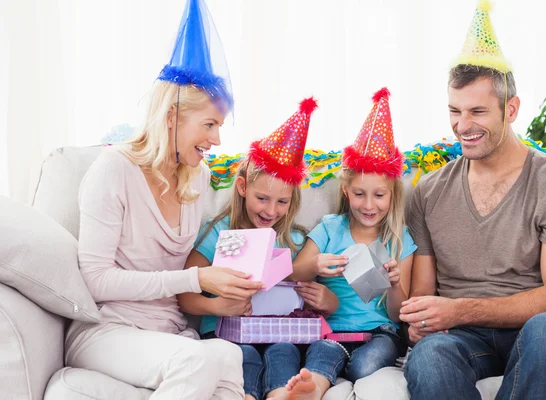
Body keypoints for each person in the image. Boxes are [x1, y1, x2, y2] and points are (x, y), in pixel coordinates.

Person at [64, 1, 263, 398]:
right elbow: (96, 280)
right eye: (209, 124)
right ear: (172, 117)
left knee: (227, 355)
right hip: (109, 331)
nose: (216, 140)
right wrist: (197, 278)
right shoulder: (114, 170)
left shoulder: (197, 177)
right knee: (198, 360)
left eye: (219, 126)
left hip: (171, 333)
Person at [400, 2, 546, 399]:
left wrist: (458, 309)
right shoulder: (428, 192)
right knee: (430, 355)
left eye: (477, 111)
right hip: (464, 338)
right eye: (454, 110)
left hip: (541, 330)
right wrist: (421, 319)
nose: (462, 125)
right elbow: (423, 293)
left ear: (511, 109)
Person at [179, 98, 339, 400]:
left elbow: (307, 297)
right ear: (242, 188)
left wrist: (324, 300)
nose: (271, 211)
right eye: (262, 198)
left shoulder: (293, 240)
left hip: (278, 333)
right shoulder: (220, 231)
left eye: (282, 202)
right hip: (227, 332)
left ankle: (283, 394)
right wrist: (215, 306)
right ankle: (247, 395)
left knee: (283, 352)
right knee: (244, 357)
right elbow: (184, 291)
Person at [287, 88, 416, 400]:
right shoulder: (331, 228)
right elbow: (292, 273)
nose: (368, 204)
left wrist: (395, 284)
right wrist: (315, 265)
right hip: (331, 329)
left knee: (366, 364)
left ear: (392, 194)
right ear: (346, 192)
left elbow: (398, 315)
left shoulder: (400, 239)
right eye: (359, 194)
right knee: (321, 353)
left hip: (379, 333)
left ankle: (337, 374)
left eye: (379, 195)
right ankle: (312, 388)